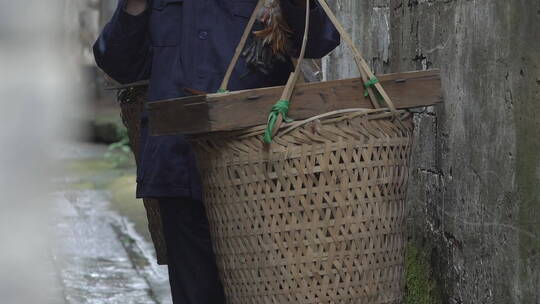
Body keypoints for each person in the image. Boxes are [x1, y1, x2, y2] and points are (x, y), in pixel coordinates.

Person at [93, 0, 339, 303]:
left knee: (270, 291)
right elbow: (118, 63)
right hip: (178, 166)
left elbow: (319, 40)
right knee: (196, 293)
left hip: (257, 169)